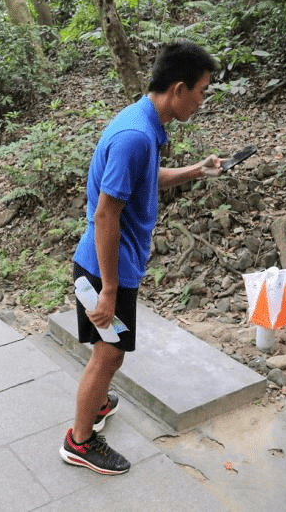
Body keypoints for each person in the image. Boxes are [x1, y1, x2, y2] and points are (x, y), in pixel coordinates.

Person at [59, 41, 222, 475]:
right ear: (179, 87)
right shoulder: (135, 136)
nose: (202, 101)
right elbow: (106, 212)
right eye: (202, 92)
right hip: (104, 268)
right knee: (109, 354)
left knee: (107, 350)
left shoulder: (144, 124)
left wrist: (194, 170)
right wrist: (109, 290)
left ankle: (95, 404)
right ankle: (80, 440)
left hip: (108, 262)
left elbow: (143, 183)